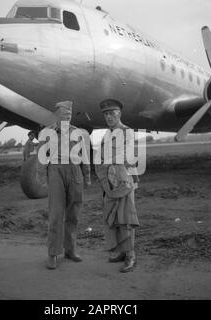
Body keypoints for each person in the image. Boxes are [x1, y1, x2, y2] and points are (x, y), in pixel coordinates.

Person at [38, 101, 91, 270]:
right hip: (56, 171)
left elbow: (84, 156)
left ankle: (70, 250)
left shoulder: (78, 133)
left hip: (75, 171)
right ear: (56, 115)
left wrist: (87, 175)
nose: (67, 116)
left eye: (69, 114)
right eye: (64, 114)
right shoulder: (47, 133)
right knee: (55, 215)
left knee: (73, 214)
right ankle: (52, 254)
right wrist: (43, 178)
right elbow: (41, 157)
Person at [95, 99, 140, 273]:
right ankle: (122, 252)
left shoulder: (127, 132)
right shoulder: (107, 135)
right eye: (105, 114)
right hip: (109, 183)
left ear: (119, 114)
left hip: (123, 182)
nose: (108, 117)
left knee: (125, 219)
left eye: (111, 114)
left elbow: (129, 156)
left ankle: (130, 256)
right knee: (113, 219)